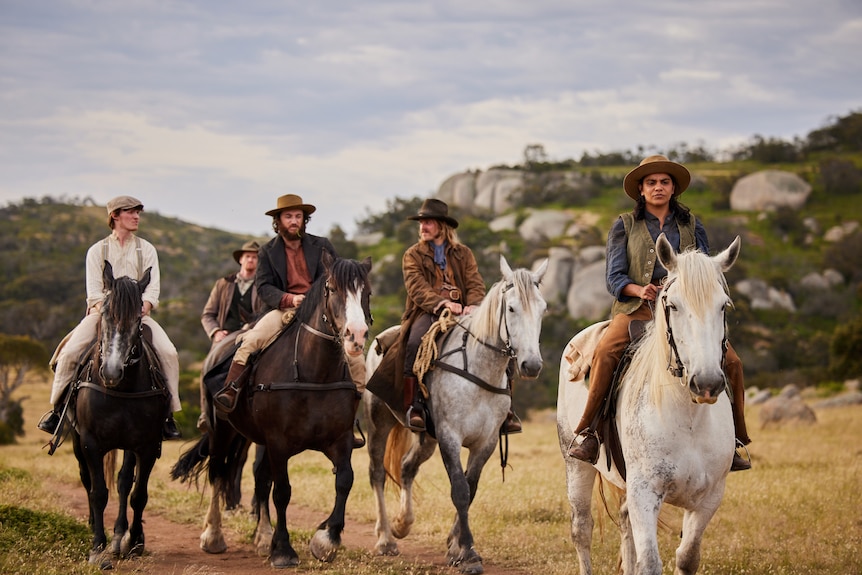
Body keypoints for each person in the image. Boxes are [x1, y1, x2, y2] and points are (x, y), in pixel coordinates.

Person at [566, 155, 751, 471]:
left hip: (687, 311)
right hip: (637, 310)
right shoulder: (624, 226)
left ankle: (735, 439)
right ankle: (589, 432)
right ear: (640, 189)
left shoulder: (692, 225)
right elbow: (613, 277)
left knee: (732, 361)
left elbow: (706, 270)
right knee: (607, 352)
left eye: (664, 182)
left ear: (673, 188)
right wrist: (640, 290)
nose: (658, 187)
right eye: (651, 182)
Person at [213, 195, 367, 443]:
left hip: (321, 310)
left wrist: (314, 300)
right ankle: (231, 390)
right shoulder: (267, 251)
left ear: (304, 220)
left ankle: (351, 414)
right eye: (288, 216)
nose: (294, 221)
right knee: (251, 340)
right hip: (282, 309)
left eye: (298, 216)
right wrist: (289, 299)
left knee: (355, 353)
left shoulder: (322, 245)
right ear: (279, 221)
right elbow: (263, 287)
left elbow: (337, 278)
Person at [38, 196, 182, 440]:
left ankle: (169, 415)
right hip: (103, 315)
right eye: (130, 212)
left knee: (169, 353)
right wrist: (109, 309)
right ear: (115, 215)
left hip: (137, 316)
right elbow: (94, 293)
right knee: (70, 353)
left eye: (138, 212)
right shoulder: (97, 250)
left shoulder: (147, 249)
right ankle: (57, 411)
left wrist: (143, 307)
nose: (137, 217)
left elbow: (153, 289)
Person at [398, 199, 522, 434]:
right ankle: (414, 406)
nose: (423, 226)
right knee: (414, 343)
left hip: (465, 313)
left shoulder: (463, 254)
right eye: (421, 222)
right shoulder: (412, 255)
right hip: (428, 312)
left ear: (442, 227)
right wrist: (441, 303)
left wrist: (474, 305)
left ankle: (507, 410)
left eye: (428, 222)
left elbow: (475, 282)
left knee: (504, 343)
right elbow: (416, 287)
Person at [201, 240, 264, 346]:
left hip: (252, 338)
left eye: (254, 257)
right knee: (213, 362)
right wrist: (216, 332)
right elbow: (207, 315)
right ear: (240, 259)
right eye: (247, 256)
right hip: (225, 338)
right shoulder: (223, 284)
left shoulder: (263, 286)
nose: (250, 260)